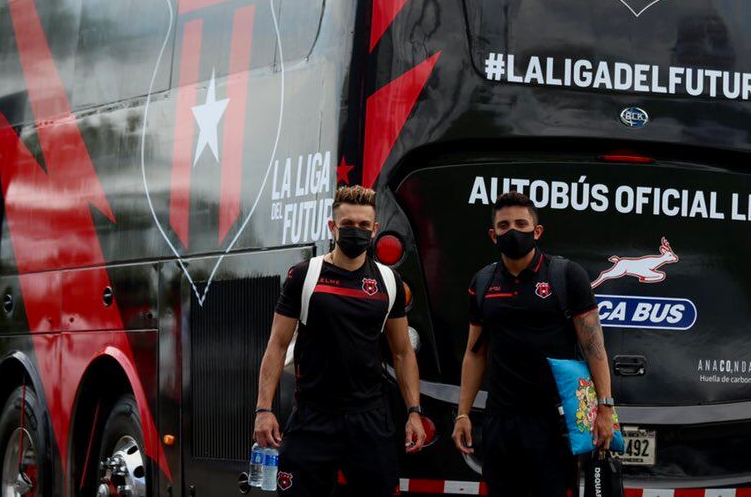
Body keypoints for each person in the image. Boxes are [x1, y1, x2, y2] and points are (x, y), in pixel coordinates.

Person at [253, 185, 425, 496]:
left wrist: (414, 411)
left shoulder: (389, 282)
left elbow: (402, 352)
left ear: (374, 230)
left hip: (370, 420)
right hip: (313, 418)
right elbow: (276, 345)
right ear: (333, 227)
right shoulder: (304, 276)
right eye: (347, 224)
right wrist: (263, 410)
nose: (355, 231)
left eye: (363, 225)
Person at [451, 191, 614, 497]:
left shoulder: (566, 275)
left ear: (537, 231)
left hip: (553, 422)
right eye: (504, 226)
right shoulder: (483, 282)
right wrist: (463, 414)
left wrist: (606, 410)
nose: (512, 231)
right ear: (493, 235)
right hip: (500, 420)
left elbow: (595, 348)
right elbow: (475, 354)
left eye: (521, 224)